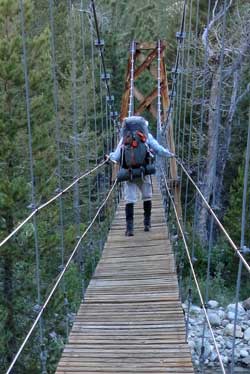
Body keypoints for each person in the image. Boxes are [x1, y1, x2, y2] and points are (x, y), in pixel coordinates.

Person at [107, 116, 174, 236]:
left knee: (129, 199)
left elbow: (116, 157)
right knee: (147, 197)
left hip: (129, 174)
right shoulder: (145, 137)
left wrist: (109, 157)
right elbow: (158, 149)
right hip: (144, 172)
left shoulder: (125, 138)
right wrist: (170, 154)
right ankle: (147, 224)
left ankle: (129, 228)